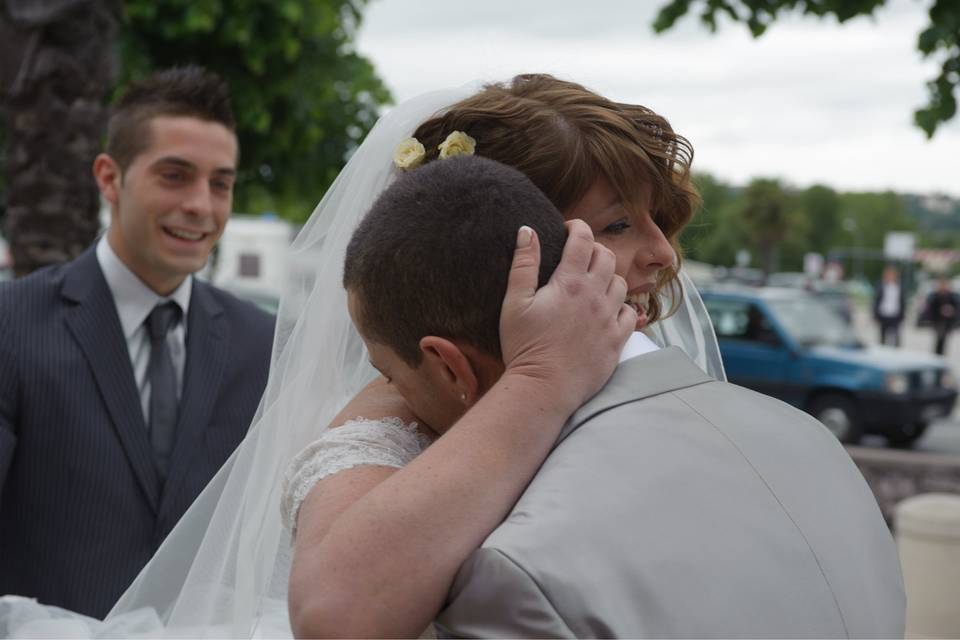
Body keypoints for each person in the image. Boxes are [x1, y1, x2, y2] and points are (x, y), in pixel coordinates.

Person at [0, 75, 721, 637]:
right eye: (620, 224)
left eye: (221, 183)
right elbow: (340, 612)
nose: (661, 253)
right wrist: (539, 384)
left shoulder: (650, 387)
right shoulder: (383, 424)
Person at [283, 155, 904, 638]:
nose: (389, 395)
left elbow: (336, 614)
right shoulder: (811, 440)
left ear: (449, 366)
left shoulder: (521, 573)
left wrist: (532, 382)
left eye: (389, 372)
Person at [0, 66, 274, 619]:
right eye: (175, 176)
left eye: (220, 183)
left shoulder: (261, 343)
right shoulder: (11, 323)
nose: (202, 204)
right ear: (109, 177)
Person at [874, 264, 906, 346]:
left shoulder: (899, 286)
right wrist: (875, 314)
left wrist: (902, 315)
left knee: (896, 339)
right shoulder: (881, 285)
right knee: (882, 339)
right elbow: (876, 300)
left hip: (895, 315)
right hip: (883, 314)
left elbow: (902, 301)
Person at [927, 276, 959, 355]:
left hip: (947, 322)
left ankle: (941, 356)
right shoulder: (935, 295)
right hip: (938, 321)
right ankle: (937, 356)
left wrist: (951, 311)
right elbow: (931, 308)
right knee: (939, 340)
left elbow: (956, 307)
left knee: (944, 341)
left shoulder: (952, 296)